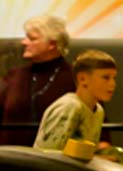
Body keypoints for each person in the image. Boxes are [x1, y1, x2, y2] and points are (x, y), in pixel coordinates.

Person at [1, 15, 75, 148]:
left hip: (55, 164)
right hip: (9, 161)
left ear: (52, 44)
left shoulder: (75, 77)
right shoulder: (14, 75)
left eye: (32, 38)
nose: (24, 42)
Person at [32, 48, 117, 156]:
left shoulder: (98, 110)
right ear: (82, 79)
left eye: (114, 78)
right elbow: (49, 156)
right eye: (106, 77)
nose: (113, 84)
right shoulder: (69, 107)